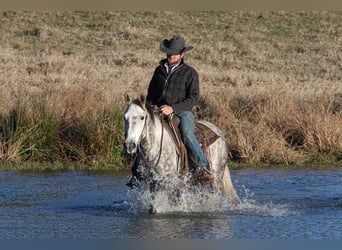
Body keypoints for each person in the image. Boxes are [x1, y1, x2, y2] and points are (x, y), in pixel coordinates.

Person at [126, 35, 213, 188]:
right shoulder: (159, 71)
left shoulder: (190, 73)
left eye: (174, 53)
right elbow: (151, 95)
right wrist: (150, 107)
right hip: (158, 111)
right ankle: (137, 173)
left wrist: (173, 108)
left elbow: (193, 98)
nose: (170, 55)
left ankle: (204, 167)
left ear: (182, 54)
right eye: (168, 52)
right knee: (144, 134)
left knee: (187, 134)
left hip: (182, 112)